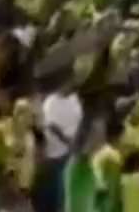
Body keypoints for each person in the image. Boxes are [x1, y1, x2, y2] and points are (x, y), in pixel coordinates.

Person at [35, 82, 83, 212]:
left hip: (71, 151)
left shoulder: (74, 98)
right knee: (56, 191)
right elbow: (51, 126)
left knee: (65, 191)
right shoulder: (51, 102)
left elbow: (79, 118)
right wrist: (68, 141)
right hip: (55, 154)